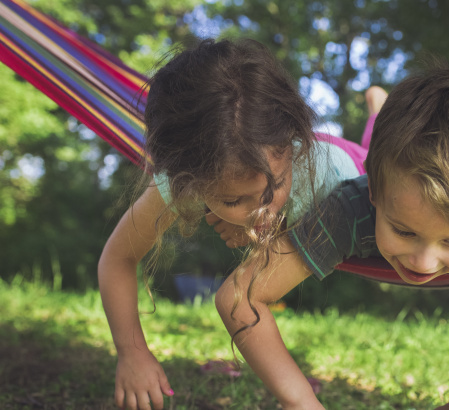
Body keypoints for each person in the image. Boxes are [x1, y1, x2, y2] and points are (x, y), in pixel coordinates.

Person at [214, 66, 449, 409]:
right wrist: (302, 403)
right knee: (367, 153)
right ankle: (377, 110)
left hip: (381, 171)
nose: (424, 262)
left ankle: (378, 111)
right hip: (353, 163)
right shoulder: (348, 208)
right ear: (373, 195)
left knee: (377, 151)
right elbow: (238, 297)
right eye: (403, 230)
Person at [97, 37, 386, 410]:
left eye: (275, 186)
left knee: (382, 151)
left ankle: (380, 109)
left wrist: (254, 225)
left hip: (354, 164)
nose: (261, 209)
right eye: (233, 200)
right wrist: (131, 353)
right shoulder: (183, 175)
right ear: (189, 181)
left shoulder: (335, 181)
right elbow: (117, 259)